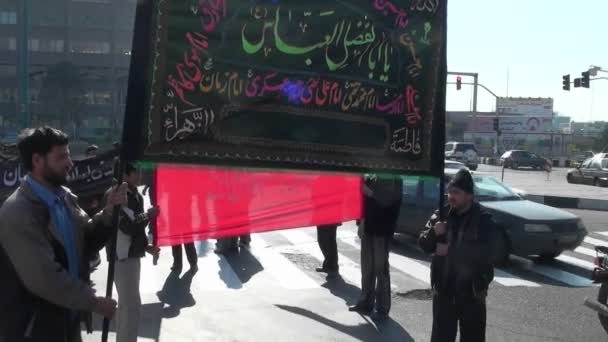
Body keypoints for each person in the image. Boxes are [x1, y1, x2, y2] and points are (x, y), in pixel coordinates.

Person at [0, 127, 126, 342]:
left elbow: (86, 241)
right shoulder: (18, 212)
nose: (70, 163)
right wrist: (94, 303)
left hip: (67, 321)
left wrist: (110, 210)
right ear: (37, 160)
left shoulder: (65, 198)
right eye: (61, 157)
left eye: (68, 154)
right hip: (34, 330)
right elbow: (46, 277)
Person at [418, 169, 505, 342]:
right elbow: (423, 244)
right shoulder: (441, 215)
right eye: (450, 191)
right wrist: (433, 234)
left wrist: (452, 251)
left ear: (469, 195)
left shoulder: (484, 219)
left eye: (456, 192)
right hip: (444, 292)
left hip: (472, 294)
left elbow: (489, 253)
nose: (451, 196)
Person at [112, 163, 160, 342]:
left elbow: (137, 232)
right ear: (125, 174)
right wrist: (149, 215)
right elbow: (128, 226)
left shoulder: (136, 195)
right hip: (122, 257)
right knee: (130, 307)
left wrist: (146, 247)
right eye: (136, 172)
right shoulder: (117, 194)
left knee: (128, 307)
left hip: (131, 256)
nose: (140, 175)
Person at [349, 174, 402, 319]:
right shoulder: (370, 174)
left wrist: (369, 191)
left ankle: (383, 306)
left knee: (380, 267)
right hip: (369, 225)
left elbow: (387, 200)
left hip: (382, 229)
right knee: (367, 266)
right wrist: (360, 222)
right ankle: (365, 302)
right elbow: (363, 201)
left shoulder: (392, 175)